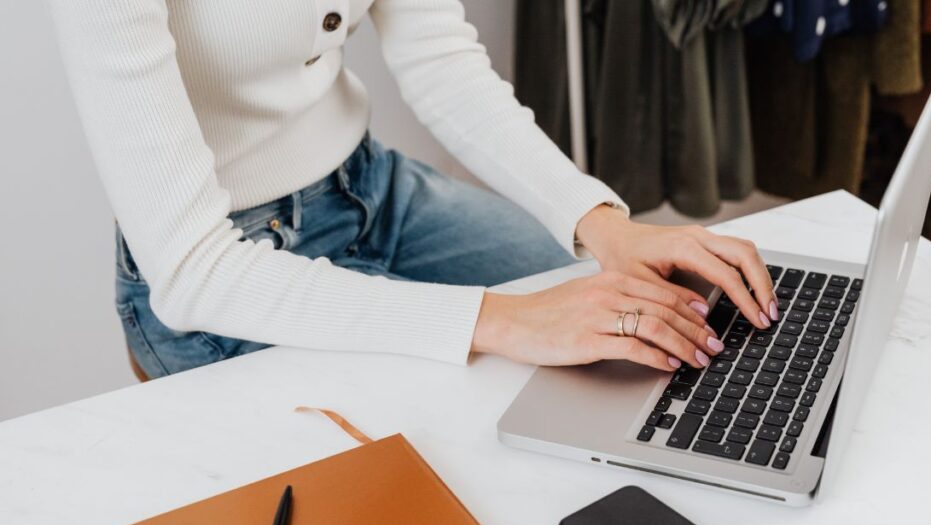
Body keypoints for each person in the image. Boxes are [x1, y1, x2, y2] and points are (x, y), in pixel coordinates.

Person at [49, 0, 779, 379]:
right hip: (228, 273)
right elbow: (190, 272)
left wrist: (601, 223)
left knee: (630, 318)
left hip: (371, 187)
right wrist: (502, 320)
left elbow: (440, 60)